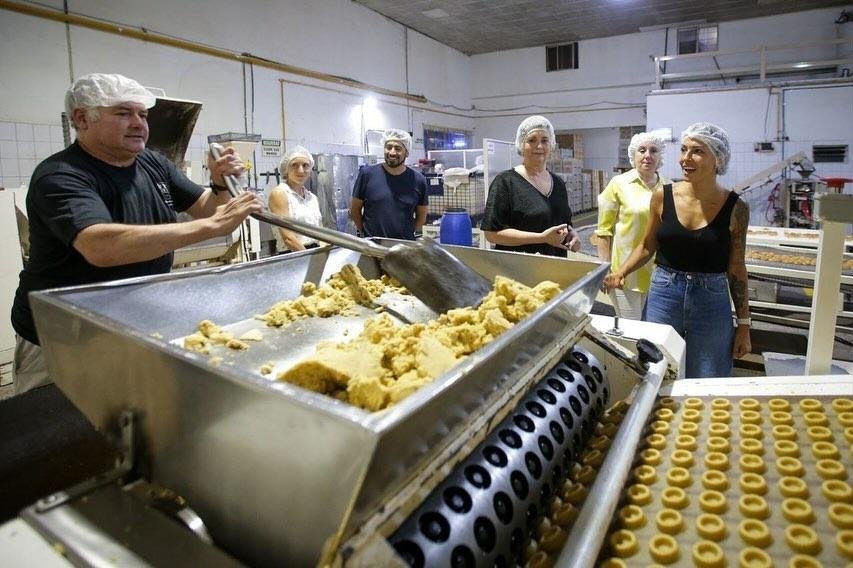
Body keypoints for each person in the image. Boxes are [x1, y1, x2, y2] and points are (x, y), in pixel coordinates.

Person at [10, 73, 263, 395]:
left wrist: (217, 184)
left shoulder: (152, 163)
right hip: (62, 336)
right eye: (123, 113)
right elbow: (101, 246)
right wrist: (213, 227)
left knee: (124, 421)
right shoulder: (61, 175)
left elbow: (206, 208)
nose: (138, 123)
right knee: (54, 433)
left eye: (142, 115)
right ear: (81, 119)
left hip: (131, 324)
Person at [604, 122, 751, 378]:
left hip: (712, 301)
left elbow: (737, 266)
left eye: (697, 151)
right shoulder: (663, 195)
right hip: (664, 293)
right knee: (656, 373)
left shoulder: (736, 208)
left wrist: (744, 325)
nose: (685, 158)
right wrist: (620, 272)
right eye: (683, 150)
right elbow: (648, 245)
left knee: (708, 378)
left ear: (718, 158)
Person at [482, 115, 580, 256]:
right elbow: (492, 234)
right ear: (521, 145)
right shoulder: (505, 182)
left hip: (555, 268)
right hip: (518, 269)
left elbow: (564, 224)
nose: (539, 146)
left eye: (544, 140)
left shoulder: (558, 183)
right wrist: (541, 238)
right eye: (532, 140)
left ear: (551, 144)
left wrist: (572, 235)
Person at [596, 133, 669, 319]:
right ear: (633, 155)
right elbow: (604, 231)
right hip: (625, 275)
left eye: (654, 151)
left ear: (660, 156)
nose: (648, 155)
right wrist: (604, 269)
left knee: (653, 333)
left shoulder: (669, 187)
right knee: (632, 331)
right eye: (642, 150)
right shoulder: (618, 184)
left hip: (660, 276)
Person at [350, 129, 428, 240]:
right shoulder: (367, 175)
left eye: (398, 149)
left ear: (407, 152)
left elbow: (421, 217)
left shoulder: (419, 180)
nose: (392, 152)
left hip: (404, 248)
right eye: (388, 147)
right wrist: (367, 233)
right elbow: (354, 210)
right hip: (372, 247)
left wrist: (405, 234)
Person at [268, 146, 323, 252]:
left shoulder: (312, 198)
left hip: (314, 252)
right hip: (293, 254)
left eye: (305, 165)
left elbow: (320, 234)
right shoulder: (279, 194)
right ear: (286, 169)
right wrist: (309, 259)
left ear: (310, 169)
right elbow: (289, 239)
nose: (301, 170)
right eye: (295, 165)